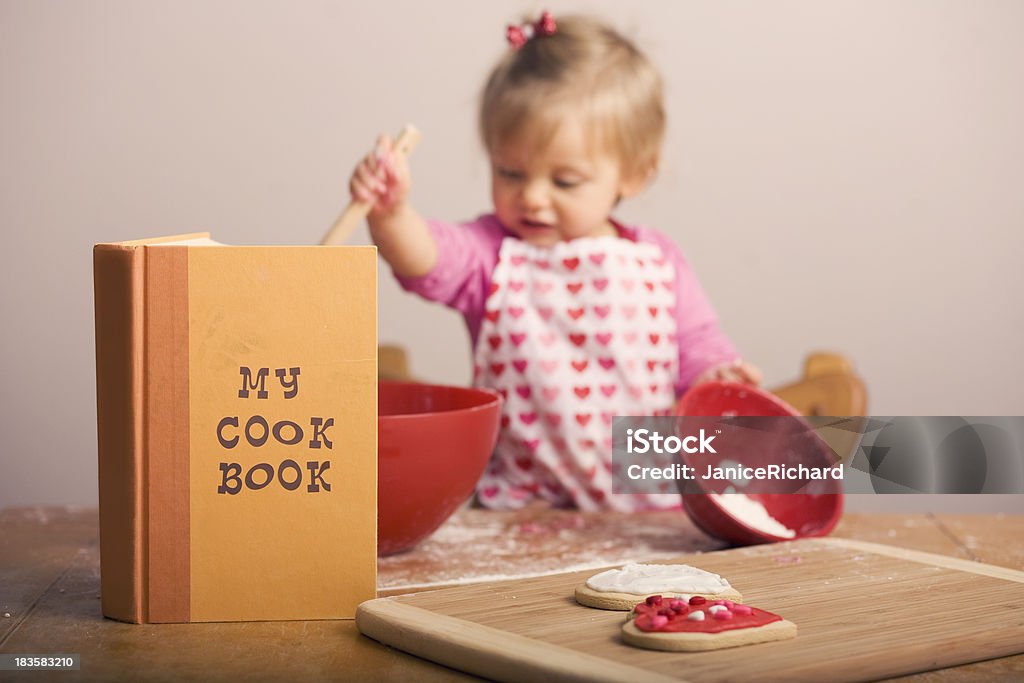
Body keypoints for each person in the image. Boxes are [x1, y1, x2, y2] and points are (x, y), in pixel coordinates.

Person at [349, 12, 761, 511]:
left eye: (564, 181)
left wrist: (715, 376)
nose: (534, 199)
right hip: (521, 510)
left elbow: (696, 345)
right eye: (510, 173)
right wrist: (392, 214)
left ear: (634, 175)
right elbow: (425, 259)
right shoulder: (490, 254)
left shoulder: (657, 261)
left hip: (645, 511)